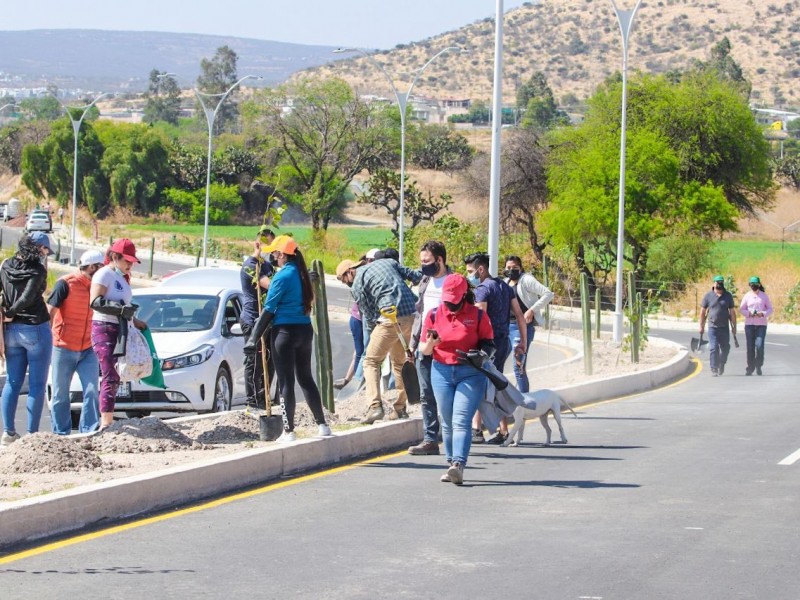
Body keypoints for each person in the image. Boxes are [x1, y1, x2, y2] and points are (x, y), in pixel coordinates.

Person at [244, 236, 331, 442]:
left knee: (286, 383)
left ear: (282, 255)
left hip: (284, 333)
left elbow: (268, 310)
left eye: (274, 254)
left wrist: (253, 339)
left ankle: (289, 431)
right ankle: (322, 425)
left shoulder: (282, 277)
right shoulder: (302, 274)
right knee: (306, 378)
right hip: (304, 330)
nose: (273, 257)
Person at [419, 274, 494, 485]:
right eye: (447, 299)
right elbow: (423, 350)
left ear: (464, 296)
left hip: (470, 373)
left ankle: (459, 465)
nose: (450, 303)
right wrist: (432, 343)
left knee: (461, 420)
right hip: (441, 371)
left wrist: (480, 354)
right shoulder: (434, 314)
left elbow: (489, 343)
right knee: (448, 421)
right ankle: (451, 464)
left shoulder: (477, 315)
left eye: (454, 299)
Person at [336, 255, 422, 424]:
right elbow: (415, 276)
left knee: (370, 362)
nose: (347, 284)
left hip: (389, 319)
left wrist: (372, 339)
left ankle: (375, 407)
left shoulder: (357, 285)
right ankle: (400, 409)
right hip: (412, 316)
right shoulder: (387, 262)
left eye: (345, 280)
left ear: (350, 272)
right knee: (399, 363)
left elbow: (368, 316)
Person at [465, 252, 526, 444]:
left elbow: (479, 318)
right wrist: (522, 342)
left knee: (479, 383)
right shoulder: (504, 287)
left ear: (480, 269)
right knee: (496, 383)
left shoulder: (482, 290)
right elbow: (519, 315)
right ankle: (503, 430)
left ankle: (476, 429)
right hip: (504, 342)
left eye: (470, 271)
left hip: (487, 345)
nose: (469, 276)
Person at [0, 232, 54, 446]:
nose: (46, 254)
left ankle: (8, 432)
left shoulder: (6, 264)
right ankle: (32, 435)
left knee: (12, 382)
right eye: (45, 250)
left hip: (11, 330)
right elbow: (30, 295)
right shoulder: (37, 269)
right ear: (38, 248)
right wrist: (13, 310)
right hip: (35, 327)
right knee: (37, 384)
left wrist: (8, 313)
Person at [90, 239, 147, 429]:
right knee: (110, 374)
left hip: (120, 327)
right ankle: (106, 421)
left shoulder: (122, 277)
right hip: (104, 328)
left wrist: (135, 320)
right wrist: (120, 310)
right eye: (127, 261)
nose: (130, 265)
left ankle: (108, 417)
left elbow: (123, 303)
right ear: (115, 257)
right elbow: (95, 302)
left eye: (132, 262)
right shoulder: (104, 274)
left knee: (118, 373)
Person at [47, 249, 105, 435]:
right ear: (91, 267)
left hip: (88, 348)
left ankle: (88, 431)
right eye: (99, 268)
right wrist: (49, 339)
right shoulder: (65, 284)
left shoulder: (99, 286)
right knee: (60, 394)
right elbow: (50, 312)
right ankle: (61, 433)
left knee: (91, 390)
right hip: (63, 347)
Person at [408, 240, 451, 456]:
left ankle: (453, 437)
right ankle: (430, 439)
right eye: (421, 261)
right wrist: (413, 343)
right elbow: (420, 313)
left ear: (440, 260)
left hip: (446, 348)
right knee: (426, 394)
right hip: (424, 345)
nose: (423, 265)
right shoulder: (425, 280)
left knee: (445, 394)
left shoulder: (453, 282)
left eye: (427, 261)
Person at [503, 256, 554, 393]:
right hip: (506, 327)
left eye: (514, 267)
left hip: (522, 328)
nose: (511, 270)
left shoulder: (526, 280)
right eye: (508, 268)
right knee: (497, 362)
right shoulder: (505, 282)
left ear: (521, 268)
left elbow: (548, 294)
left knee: (518, 366)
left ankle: (525, 401)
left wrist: (532, 310)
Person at [241, 226, 274, 409]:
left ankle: (264, 398)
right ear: (257, 244)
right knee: (253, 362)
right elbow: (270, 285)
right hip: (252, 320)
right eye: (266, 246)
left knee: (269, 362)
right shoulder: (250, 266)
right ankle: (252, 401)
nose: (269, 251)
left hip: (266, 320)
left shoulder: (267, 265)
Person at [699, 275, 737, 377]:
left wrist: (734, 327)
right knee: (714, 347)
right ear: (714, 283)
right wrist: (701, 326)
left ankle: (722, 363)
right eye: (717, 283)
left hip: (724, 327)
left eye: (721, 283)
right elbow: (702, 311)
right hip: (712, 327)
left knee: (725, 348)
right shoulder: (708, 296)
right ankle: (714, 368)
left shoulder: (728, 296)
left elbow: (732, 312)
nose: (719, 285)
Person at [739, 276, 773, 376]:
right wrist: (749, 313)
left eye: (756, 284)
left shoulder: (764, 296)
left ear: (759, 284)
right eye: (752, 284)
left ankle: (758, 365)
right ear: (749, 285)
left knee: (759, 346)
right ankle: (750, 368)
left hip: (761, 325)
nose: (754, 286)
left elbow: (770, 309)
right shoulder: (747, 296)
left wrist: (763, 313)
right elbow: (742, 309)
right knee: (750, 347)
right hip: (749, 324)